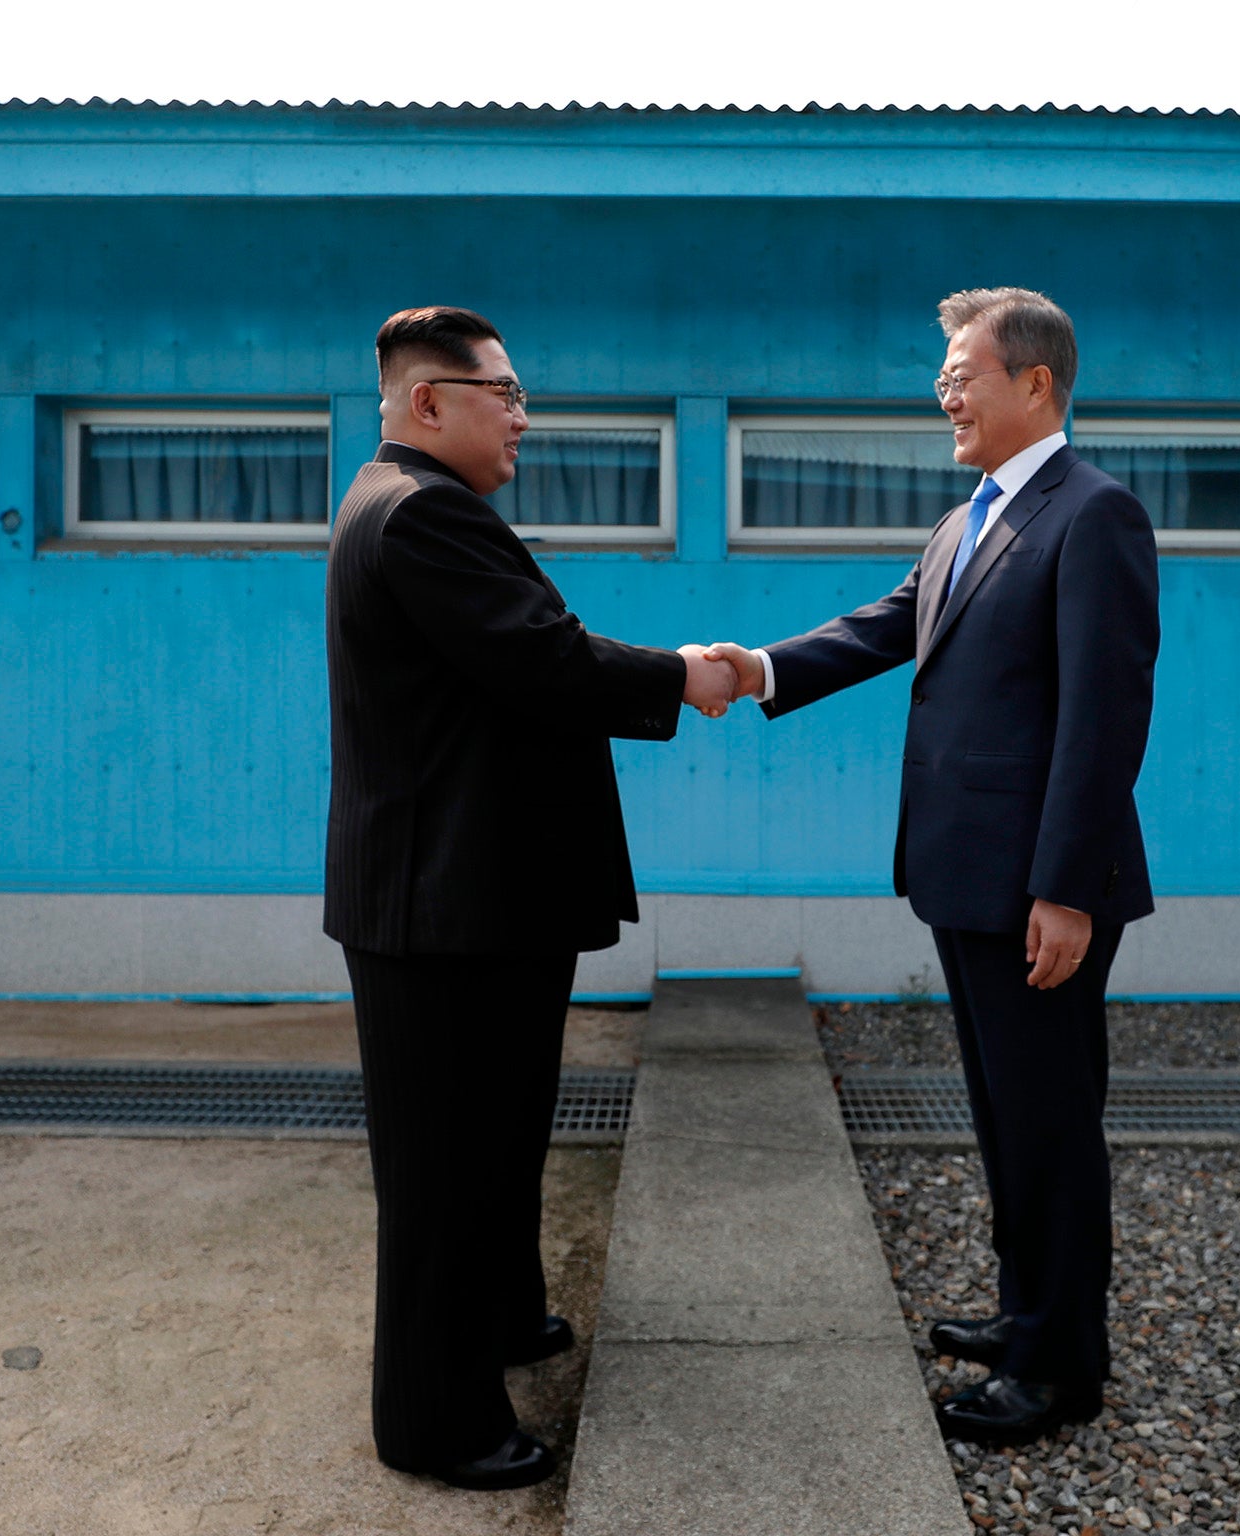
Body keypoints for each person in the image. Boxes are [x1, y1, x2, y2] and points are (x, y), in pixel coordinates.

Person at [702, 287, 1160, 1445]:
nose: (944, 393)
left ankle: (1059, 1370)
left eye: (964, 374)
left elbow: (1102, 721)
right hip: (964, 874)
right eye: (944, 376)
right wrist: (755, 667)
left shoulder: (1091, 513)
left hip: (1036, 888)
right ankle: (1025, 1314)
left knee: (1050, 1122)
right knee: (1006, 1115)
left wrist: (1062, 888)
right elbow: (887, 623)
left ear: (1035, 384)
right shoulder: (971, 517)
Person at [324, 306, 735, 1490]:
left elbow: (525, 652)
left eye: (518, 392)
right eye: (497, 392)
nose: (519, 414)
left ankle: (505, 1318)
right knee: (444, 1172)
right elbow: (547, 660)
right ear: (424, 402)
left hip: (475, 900)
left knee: (498, 1141)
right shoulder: (417, 514)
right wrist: (684, 678)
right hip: (438, 909)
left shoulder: (423, 508)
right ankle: (434, 1420)